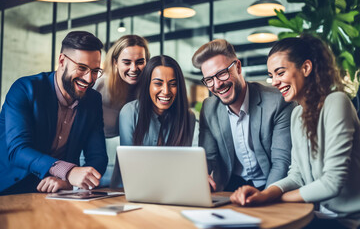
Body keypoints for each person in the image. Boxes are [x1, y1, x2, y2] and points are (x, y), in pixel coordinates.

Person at [230, 35, 360, 229]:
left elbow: (332, 182)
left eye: (280, 73)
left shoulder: (336, 102)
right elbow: (297, 175)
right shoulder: (297, 114)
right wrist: (264, 194)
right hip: (318, 215)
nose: (274, 82)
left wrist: (279, 199)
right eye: (271, 75)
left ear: (306, 68)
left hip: (348, 221)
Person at [0, 31, 108, 195]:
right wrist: (69, 171)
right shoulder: (24, 89)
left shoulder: (93, 100)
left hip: (59, 192)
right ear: (62, 61)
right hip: (11, 188)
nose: (89, 78)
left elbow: (98, 156)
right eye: (82, 68)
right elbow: (18, 150)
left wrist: (68, 181)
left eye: (95, 71)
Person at [192, 39, 294, 192]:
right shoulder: (209, 108)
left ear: (238, 67)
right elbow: (208, 158)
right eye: (209, 80)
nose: (217, 84)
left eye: (222, 74)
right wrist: (201, 174)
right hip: (230, 186)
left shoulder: (277, 102)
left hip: (270, 185)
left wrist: (264, 197)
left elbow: (281, 163)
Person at [110, 55, 196, 187]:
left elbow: (180, 167)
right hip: (127, 190)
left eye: (172, 84)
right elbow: (129, 165)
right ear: (147, 85)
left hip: (169, 191)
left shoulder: (187, 117)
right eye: (158, 83)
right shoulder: (130, 112)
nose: (166, 91)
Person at [93, 35, 150, 138]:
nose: (133, 68)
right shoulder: (100, 86)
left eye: (140, 62)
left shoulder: (148, 90)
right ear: (115, 62)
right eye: (127, 62)